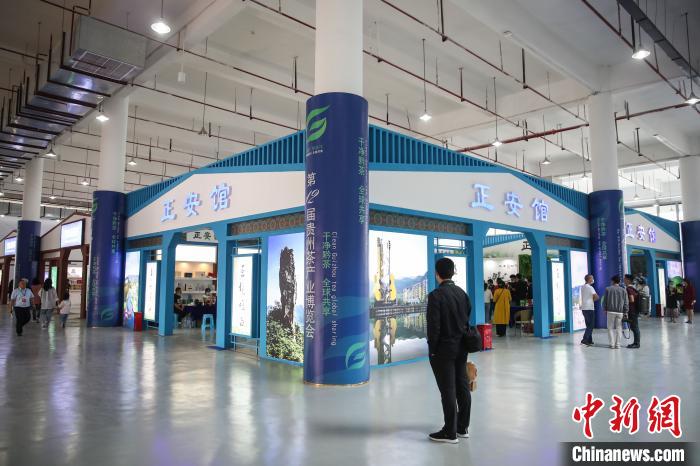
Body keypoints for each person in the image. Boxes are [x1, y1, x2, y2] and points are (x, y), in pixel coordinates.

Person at [426, 257, 472, 444]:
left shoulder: (435, 296)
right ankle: (462, 427)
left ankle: (449, 432)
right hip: (462, 347)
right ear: (452, 272)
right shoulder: (462, 293)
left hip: (444, 350)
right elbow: (466, 318)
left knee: (448, 390)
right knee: (462, 386)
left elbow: (434, 327)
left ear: (437, 274)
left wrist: (432, 350)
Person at [603, 276, 628, 349]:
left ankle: (612, 344)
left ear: (613, 281)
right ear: (619, 282)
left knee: (610, 328)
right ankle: (618, 345)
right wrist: (626, 311)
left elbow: (605, 300)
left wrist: (605, 309)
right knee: (619, 328)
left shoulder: (608, 289)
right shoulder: (623, 290)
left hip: (610, 311)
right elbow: (626, 302)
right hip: (620, 312)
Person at [580, 274, 599, 346]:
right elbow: (597, 297)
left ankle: (589, 340)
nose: (593, 279)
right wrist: (591, 301)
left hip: (584, 308)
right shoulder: (590, 288)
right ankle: (584, 340)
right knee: (590, 325)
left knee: (588, 325)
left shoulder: (582, 287)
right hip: (590, 308)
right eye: (592, 278)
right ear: (589, 279)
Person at [623, 274, 640, 349]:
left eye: (625, 279)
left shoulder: (628, 289)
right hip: (635, 310)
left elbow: (632, 299)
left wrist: (625, 302)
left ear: (628, 280)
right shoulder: (633, 288)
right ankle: (636, 342)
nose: (624, 280)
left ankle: (636, 343)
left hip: (632, 311)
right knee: (634, 327)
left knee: (634, 327)